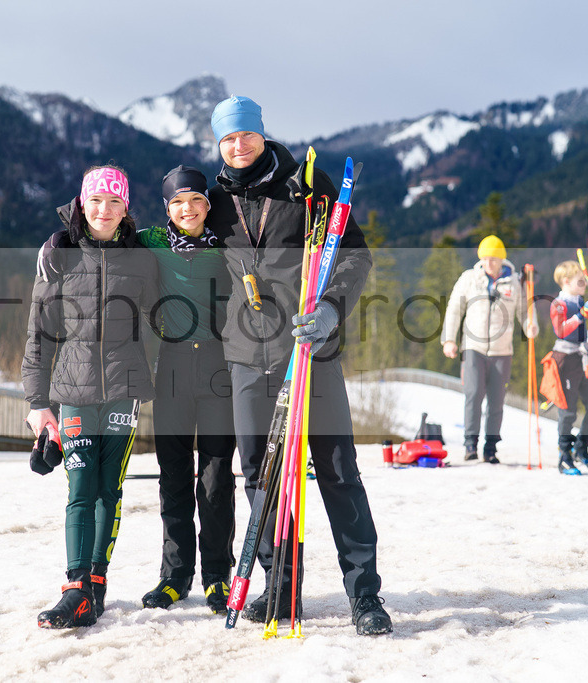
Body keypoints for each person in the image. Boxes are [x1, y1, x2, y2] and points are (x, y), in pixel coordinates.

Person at [204, 95, 392, 636]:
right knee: (260, 476)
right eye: (228, 138)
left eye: (246, 134)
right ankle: (281, 587)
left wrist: (331, 308)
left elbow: (353, 253)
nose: (239, 146)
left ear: (262, 134)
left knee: (337, 472)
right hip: (247, 358)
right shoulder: (215, 202)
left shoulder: (306, 187)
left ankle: (365, 595)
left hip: (311, 352)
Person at [22, 166, 159, 629]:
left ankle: (95, 586)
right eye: (96, 200)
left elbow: (169, 314)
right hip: (73, 390)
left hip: (125, 389)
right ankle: (76, 587)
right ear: (82, 203)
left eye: (115, 201)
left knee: (108, 488)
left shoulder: (141, 257)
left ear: (126, 208)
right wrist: (37, 403)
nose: (104, 209)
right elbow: (39, 333)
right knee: (80, 488)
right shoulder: (59, 253)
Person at [136, 166, 236, 613]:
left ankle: (217, 576)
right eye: (177, 202)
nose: (187, 209)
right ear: (167, 208)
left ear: (208, 204)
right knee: (173, 476)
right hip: (173, 367)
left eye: (196, 199)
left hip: (219, 368)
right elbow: (107, 237)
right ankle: (175, 575)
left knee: (215, 480)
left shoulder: (229, 246)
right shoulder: (152, 242)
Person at [441, 235, 539, 463]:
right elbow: (454, 308)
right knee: (473, 394)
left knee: (496, 400)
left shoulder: (514, 283)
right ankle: (470, 444)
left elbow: (525, 311)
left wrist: (530, 326)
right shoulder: (469, 278)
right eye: (484, 259)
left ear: (501, 259)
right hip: (473, 346)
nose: (488, 263)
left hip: (502, 350)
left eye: (492, 259)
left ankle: (491, 447)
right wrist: (449, 340)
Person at [542, 260, 588, 475]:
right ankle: (564, 456)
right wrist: (581, 315)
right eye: (581, 281)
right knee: (568, 412)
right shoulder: (559, 304)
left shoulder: (580, 301)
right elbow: (561, 330)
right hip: (566, 360)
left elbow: (582, 333)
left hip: (583, 358)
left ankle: (581, 448)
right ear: (566, 281)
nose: (584, 284)